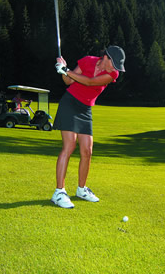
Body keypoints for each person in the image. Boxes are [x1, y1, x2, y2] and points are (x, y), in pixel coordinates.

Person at [51, 45, 126, 209]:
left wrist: (67, 70)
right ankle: (59, 192)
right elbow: (68, 81)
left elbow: (90, 83)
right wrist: (63, 69)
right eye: (114, 64)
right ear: (106, 57)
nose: (116, 69)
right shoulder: (87, 61)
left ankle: (81, 189)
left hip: (85, 109)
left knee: (87, 150)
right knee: (69, 146)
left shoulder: (112, 74)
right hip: (69, 103)